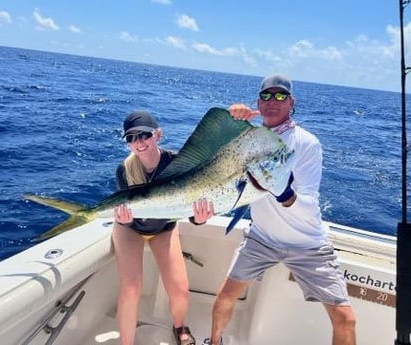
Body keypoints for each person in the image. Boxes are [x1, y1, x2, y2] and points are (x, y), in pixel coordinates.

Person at [202, 75, 356, 345]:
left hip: (307, 243)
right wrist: (231, 119)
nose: (273, 101)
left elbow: (308, 203)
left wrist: (285, 194)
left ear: (291, 102)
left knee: (346, 319)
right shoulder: (251, 137)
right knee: (224, 298)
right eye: (266, 96)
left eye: (281, 96)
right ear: (258, 103)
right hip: (262, 238)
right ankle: (212, 342)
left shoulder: (307, 143)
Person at [112, 110, 214, 345]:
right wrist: (124, 219)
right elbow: (125, 212)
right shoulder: (124, 170)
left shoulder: (177, 163)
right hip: (130, 229)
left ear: (158, 134)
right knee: (131, 288)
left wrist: (199, 218)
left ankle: (180, 327)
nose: (138, 142)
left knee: (180, 289)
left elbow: (191, 210)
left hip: (164, 228)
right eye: (131, 138)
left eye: (144, 135)